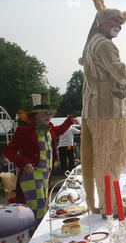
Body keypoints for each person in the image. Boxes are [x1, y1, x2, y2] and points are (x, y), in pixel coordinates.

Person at [79, 0, 126, 216]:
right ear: (102, 22)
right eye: (114, 21)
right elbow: (122, 75)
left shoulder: (91, 44)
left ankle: (109, 201)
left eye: (120, 22)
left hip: (94, 110)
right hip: (108, 112)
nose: (119, 25)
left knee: (102, 159)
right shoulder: (104, 45)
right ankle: (112, 206)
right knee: (112, 158)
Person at [3, 92, 78, 233]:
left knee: (43, 206)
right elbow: (8, 151)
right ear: (35, 115)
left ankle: (38, 236)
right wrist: (23, 162)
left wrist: (69, 121)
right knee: (36, 209)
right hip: (31, 177)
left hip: (45, 175)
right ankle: (36, 237)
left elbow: (60, 130)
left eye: (50, 113)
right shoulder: (25, 131)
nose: (48, 116)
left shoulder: (50, 129)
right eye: (44, 113)